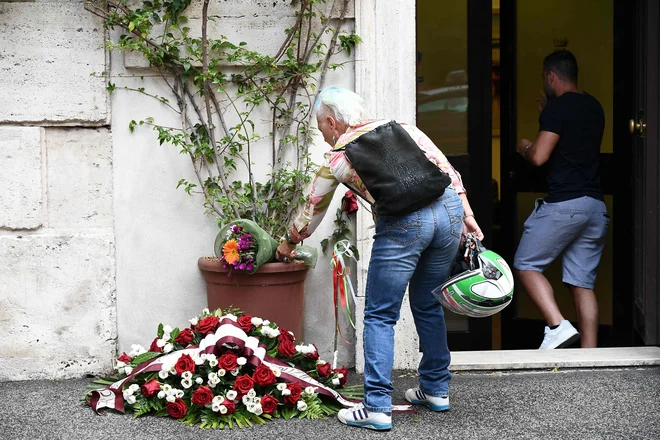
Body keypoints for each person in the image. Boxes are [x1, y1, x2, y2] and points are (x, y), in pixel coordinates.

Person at [275, 87, 483, 431]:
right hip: (447, 210)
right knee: (429, 302)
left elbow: (312, 209)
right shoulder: (402, 126)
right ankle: (435, 389)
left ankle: (376, 407)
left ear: (332, 121)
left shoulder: (339, 158)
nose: (324, 136)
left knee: (379, 315)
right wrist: (467, 213)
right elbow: (446, 168)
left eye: (321, 128)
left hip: (405, 223)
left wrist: (288, 243)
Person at [515, 50, 609, 350]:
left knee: (526, 264)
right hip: (595, 206)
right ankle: (590, 355)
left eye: (545, 77)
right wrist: (549, 113)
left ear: (551, 76)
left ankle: (556, 326)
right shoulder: (594, 106)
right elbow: (573, 139)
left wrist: (525, 147)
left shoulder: (558, 110)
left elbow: (540, 156)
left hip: (565, 205)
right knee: (582, 283)